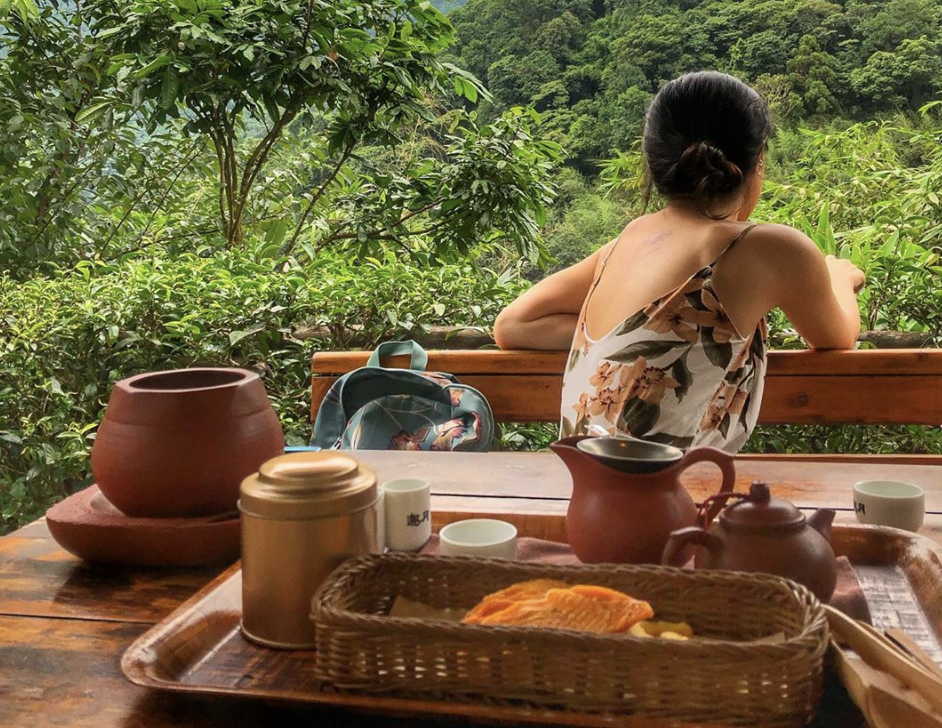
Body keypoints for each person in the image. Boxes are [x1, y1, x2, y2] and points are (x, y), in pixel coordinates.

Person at [493, 71, 865, 452]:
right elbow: (837, 336)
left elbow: (514, 324)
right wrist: (839, 277)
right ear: (757, 162)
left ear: (654, 160)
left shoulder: (630, 238)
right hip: (668, 486)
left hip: (585, 482)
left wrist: (634, 345)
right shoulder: (766, 248)